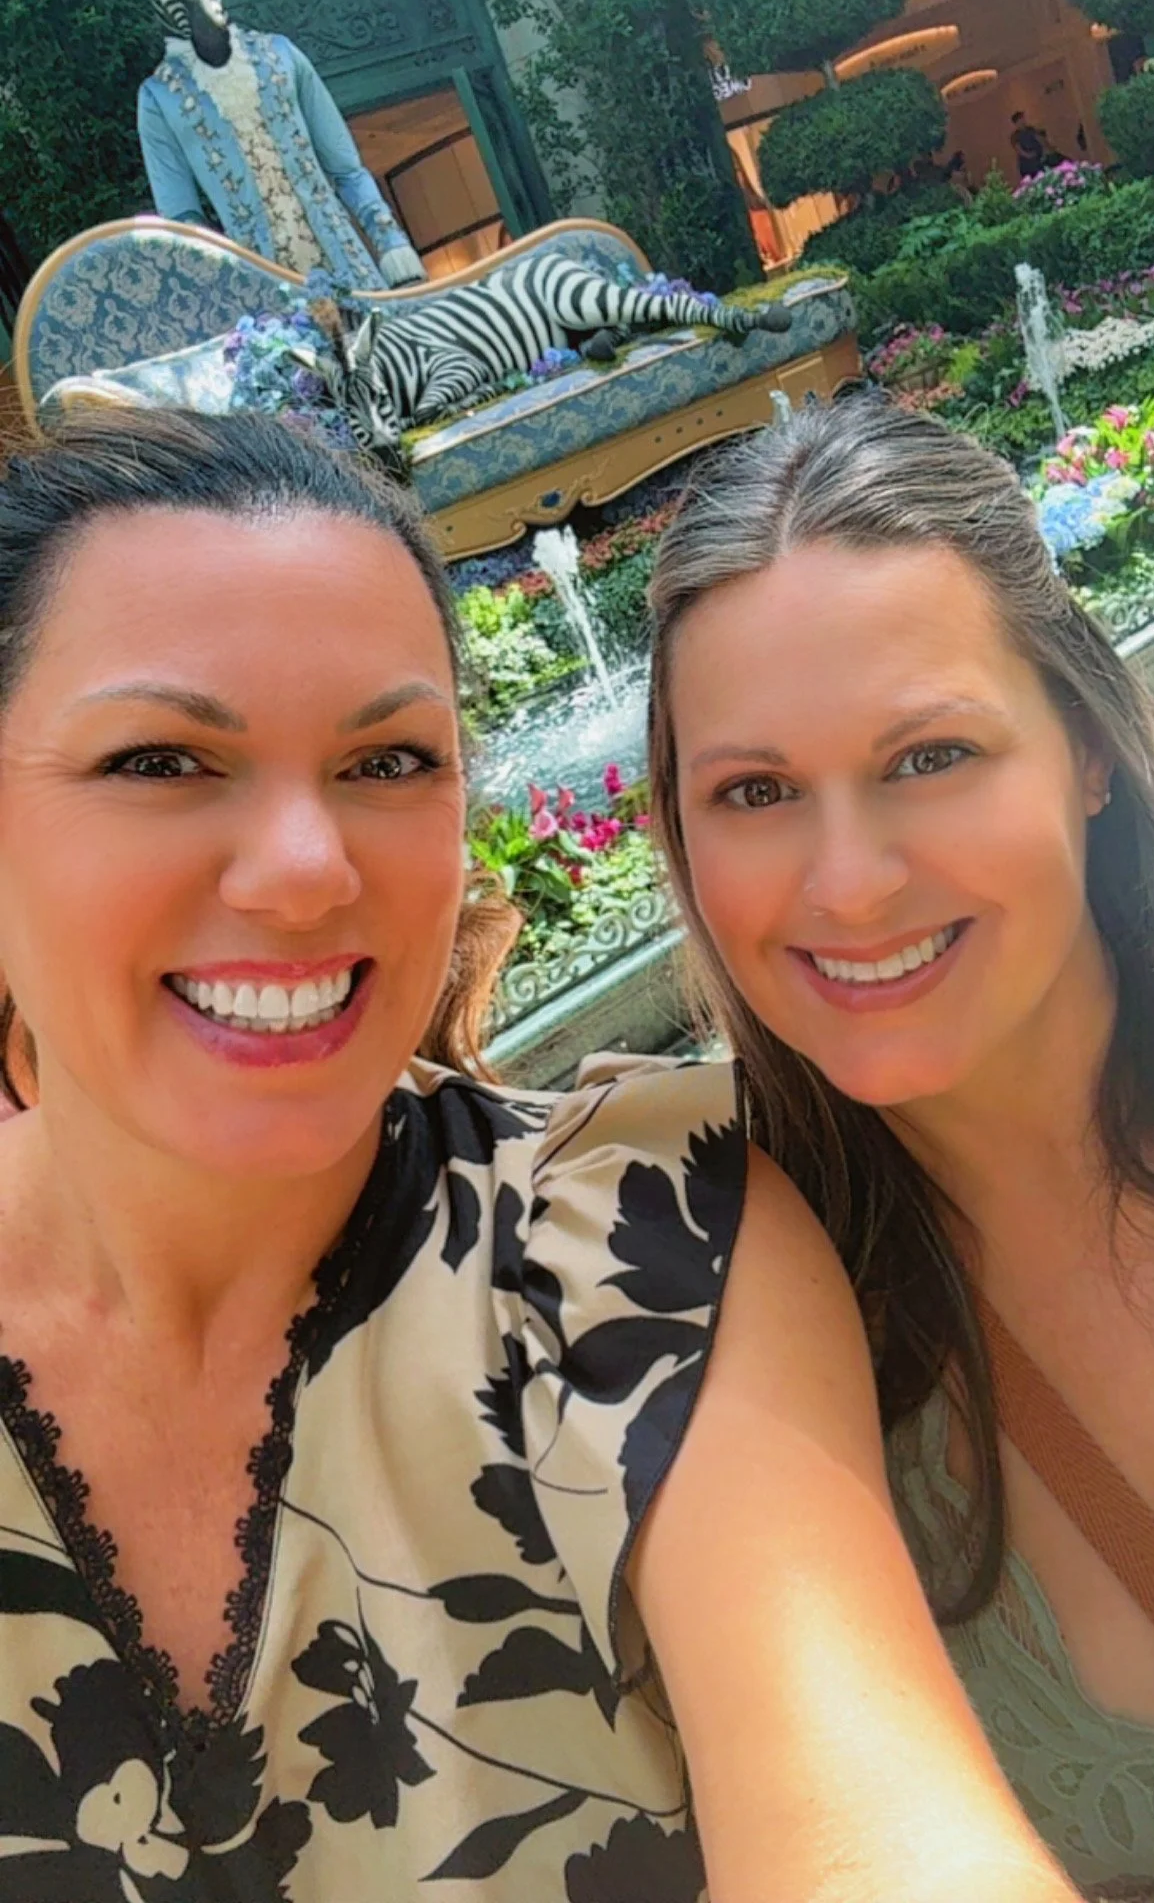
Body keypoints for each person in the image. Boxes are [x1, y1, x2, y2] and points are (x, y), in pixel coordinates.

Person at [0, 404, 1078, 1902]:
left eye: (388, 761)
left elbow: (870, 1830)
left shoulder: (633, 1242)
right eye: (162, 762)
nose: (311, 871)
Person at [647, 388, 1154, 1903]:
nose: (846, 884)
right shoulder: (727, 1346)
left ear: (1086, 750)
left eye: (926, 757)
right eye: (756, 792)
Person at [1010, 112, 1051, 179]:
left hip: (1038, 161)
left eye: (1023, 119)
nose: (1023, 121)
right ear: (1016, 123)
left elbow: (1040, 140)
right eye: (1020, 120)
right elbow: (1018, 149)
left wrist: (1045, 150)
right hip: (1027, 164)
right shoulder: (1015, 136)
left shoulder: (1031, 130)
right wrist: (1028, 155)